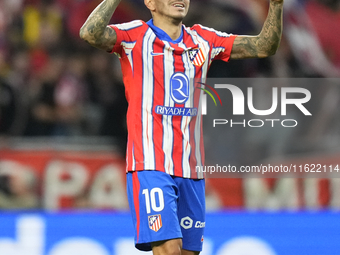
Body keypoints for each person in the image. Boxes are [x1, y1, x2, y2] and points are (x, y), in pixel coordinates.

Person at [80, 0, 283, 254]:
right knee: (170, 250)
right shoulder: (134, 36)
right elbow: (89, 33)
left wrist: (275, 6)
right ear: (150, 3)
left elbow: (265, 46)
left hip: (191, 168)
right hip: (151, 164)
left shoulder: (204, 39)